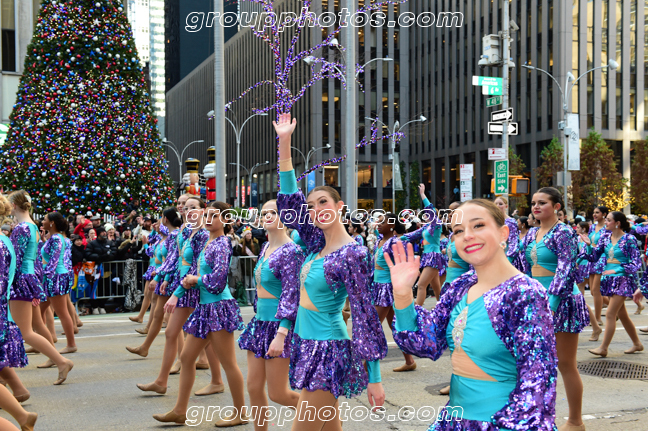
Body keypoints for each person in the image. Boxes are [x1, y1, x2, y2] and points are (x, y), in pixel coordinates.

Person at [387, 199, 557, 430]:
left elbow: (538, 379)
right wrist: (402, 294)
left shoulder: (524, 292)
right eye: (458, 231)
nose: (467, 235)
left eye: (478, 225)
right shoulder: (461, 286)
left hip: (502, 423)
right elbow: (426, 343)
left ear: (503, 233)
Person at [274, 113, 386, 429]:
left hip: (329, 349)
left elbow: (364, 313)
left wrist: (375, 377)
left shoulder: (353, 254)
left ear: (339, 207)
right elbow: (290, 202)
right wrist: (285, 143)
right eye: (311, 206)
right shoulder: (314, 244)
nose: (316, 209)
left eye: (323, 202)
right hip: (306, 343)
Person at [154, 202, 247, 426]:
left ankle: (240, 413)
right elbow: (195, 274)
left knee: (229, 363)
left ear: (225, 220)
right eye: (207, 215)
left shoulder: (222, 243)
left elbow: (218, 281)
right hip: (205, 308)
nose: (209, 219)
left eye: (214, 216)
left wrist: (195, 280)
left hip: (218, 307)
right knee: (187, 358)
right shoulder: (208, 242)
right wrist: (181, 289)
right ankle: (180, 411)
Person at [520, 187, 588, 431]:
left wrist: (550, 306)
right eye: (533, 203)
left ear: (557, 206)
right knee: (534, 362)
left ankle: (575, 421)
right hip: (537, 302)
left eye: (542, 203)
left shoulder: (564, 233)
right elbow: (522, 267)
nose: (536, 207)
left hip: (563, 303)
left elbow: (566, 270)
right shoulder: (531, 233)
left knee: (565, 364)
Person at [238, 200, 302, 431]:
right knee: (254, 387)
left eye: (273, 212)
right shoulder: (265, 247)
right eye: (264, 212)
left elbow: (291, 294)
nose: (267, 216)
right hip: (260, 324)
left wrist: (281, 333)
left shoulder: (292, 251)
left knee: (278, 394)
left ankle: (327, 417)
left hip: (279, 326)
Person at [7, 191, 73, 385]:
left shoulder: (22, 228)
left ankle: (60, 361)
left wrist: (9, 283)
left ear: (13, 206)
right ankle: (58, 360)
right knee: (36, 325)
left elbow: (15, 260)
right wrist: (36, 283)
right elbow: (32, 259)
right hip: (29, 279)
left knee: (25, 331)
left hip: (20, 280)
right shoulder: (33, 227)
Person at [579, 212, 643, 357]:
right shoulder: (605, 237)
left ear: (617, 223)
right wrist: (588, 245)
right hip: (609, 279)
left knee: (610, 313)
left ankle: (603, 348)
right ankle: (637, 344)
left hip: (623, 280)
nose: (606, 222)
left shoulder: (629, 239)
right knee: (622, 315)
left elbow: (635, 262)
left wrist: (617, 269)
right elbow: (594, 256)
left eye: (608, 220)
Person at [369, 212, 417, 373]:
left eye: (382, 222)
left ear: (392, 225)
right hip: (378, 287)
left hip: (387, 289)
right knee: (394, 326)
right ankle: (409, 361)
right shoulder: (379, 241)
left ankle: (367, 367)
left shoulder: (395, 242)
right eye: (378, 222)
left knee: (373, 326)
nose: (378, 224)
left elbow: (400, 266)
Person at [399, 185, 445, 306]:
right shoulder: (426, 227)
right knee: (436, 288)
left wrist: (423, 194)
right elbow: (412, 235)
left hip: (433, 256)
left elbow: (429, 208)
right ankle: (444, 308)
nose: (425, 215)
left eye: (427, 213)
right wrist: (395, 239)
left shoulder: (436, 225)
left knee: (421, 285)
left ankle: (417, 310)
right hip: (428, 256)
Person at [39, 212, 77, 356]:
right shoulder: (61, 238)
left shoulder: (56, 238)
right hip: (58, 276)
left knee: (62, 313)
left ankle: (71, 344)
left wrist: (41, 275)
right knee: (39, 311)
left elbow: (53, 262)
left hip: (55, 278)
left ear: (52, 223)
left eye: (45, 219)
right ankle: (41, 343)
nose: (42, 221)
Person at [574, 222, 601, 341]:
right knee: (590, 291)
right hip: (579, 265)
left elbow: (586, 253)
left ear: (584, 229)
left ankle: (596, 321)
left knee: (586, 291)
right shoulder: (577, 239)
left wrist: (577, 262)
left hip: (585, 265)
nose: (576, 229)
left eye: (578, 227)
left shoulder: (587, 238)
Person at [84, 226, 117, 314]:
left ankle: (102, 306)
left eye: (105, 231)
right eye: (102, 232)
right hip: (94, 270)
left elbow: (114, 253)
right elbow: (88, 254)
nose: (104, 233)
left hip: (106, 270)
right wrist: (99, 257)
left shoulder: (110, 243)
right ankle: (94, 306)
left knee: (106, 288)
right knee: (94, 288)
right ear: (98, 233)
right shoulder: (92, 244)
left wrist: (106, 257)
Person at [588, 206, 610, 326]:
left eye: (597, 212)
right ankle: (615, 308)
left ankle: (598, 319)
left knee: (596, 290)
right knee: (593, 291)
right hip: (592, 258)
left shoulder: (608, 227)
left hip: (602, 258)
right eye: (594, 212)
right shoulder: (592, 227)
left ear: (604, 214)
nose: (594, 214)